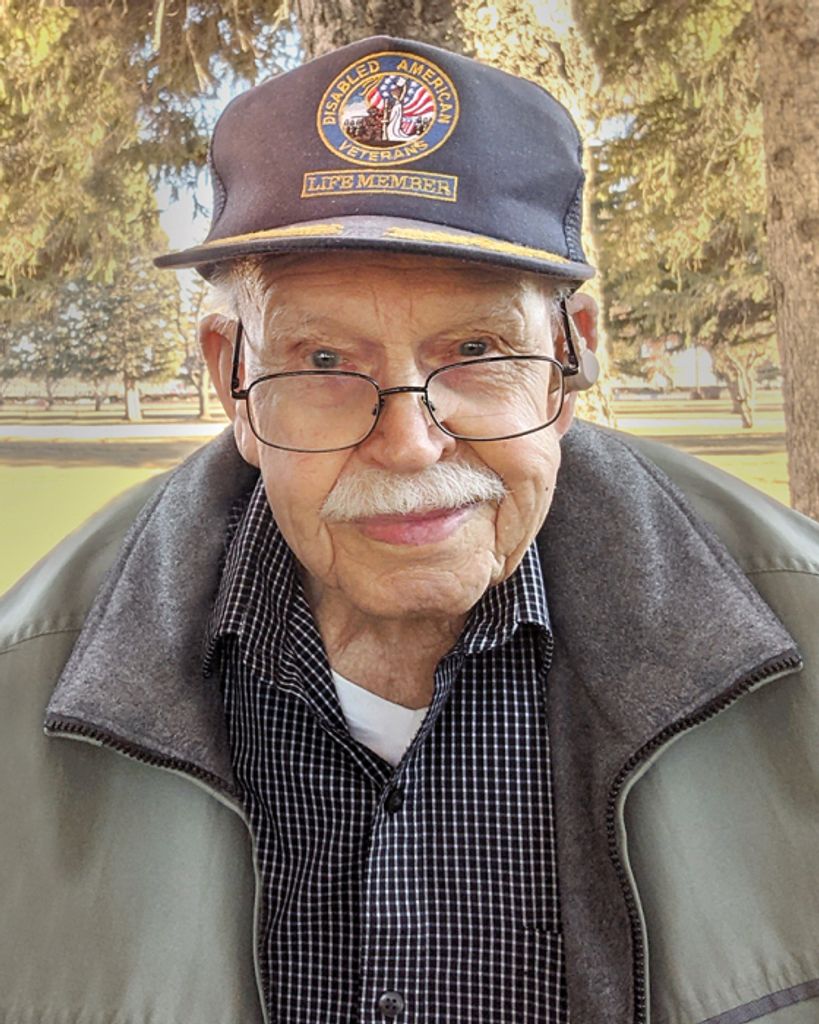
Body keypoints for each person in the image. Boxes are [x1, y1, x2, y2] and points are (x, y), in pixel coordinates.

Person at [1, 34, 818, 1024]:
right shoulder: (19, 697)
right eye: (325, 360)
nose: (409, 443)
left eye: (476, 348)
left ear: (569, 364)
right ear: (232, 378)